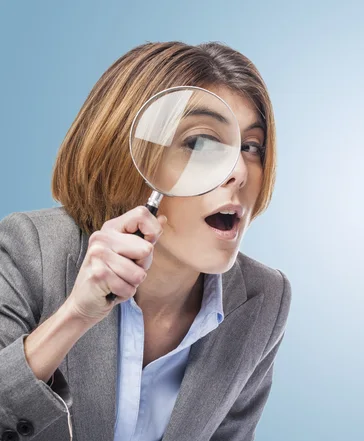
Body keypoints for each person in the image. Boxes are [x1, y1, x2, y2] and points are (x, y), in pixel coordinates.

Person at [0, 41, 291, 441]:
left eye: (251, 146)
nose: (238, 171)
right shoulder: (30, 248)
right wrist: (75, 316)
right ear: (129, 154)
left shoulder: (264, 299)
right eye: (203, 142)